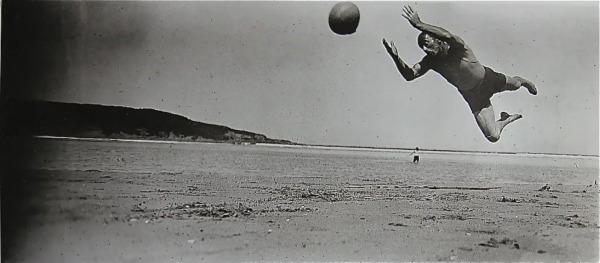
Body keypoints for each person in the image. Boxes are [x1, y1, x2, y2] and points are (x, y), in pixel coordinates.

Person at [382, 6, 537, 143]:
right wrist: (396, 57)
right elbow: (410, 75)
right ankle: (505, 120)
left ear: (438, 41)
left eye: (427, 45)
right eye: (422, 47)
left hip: (488, 79)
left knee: (516, 85)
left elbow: (448, 35)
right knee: (493, 137)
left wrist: (419, 24)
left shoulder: (457, 47)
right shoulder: (431, 61)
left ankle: (523, 81)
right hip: (473, 96)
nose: (425, 50)